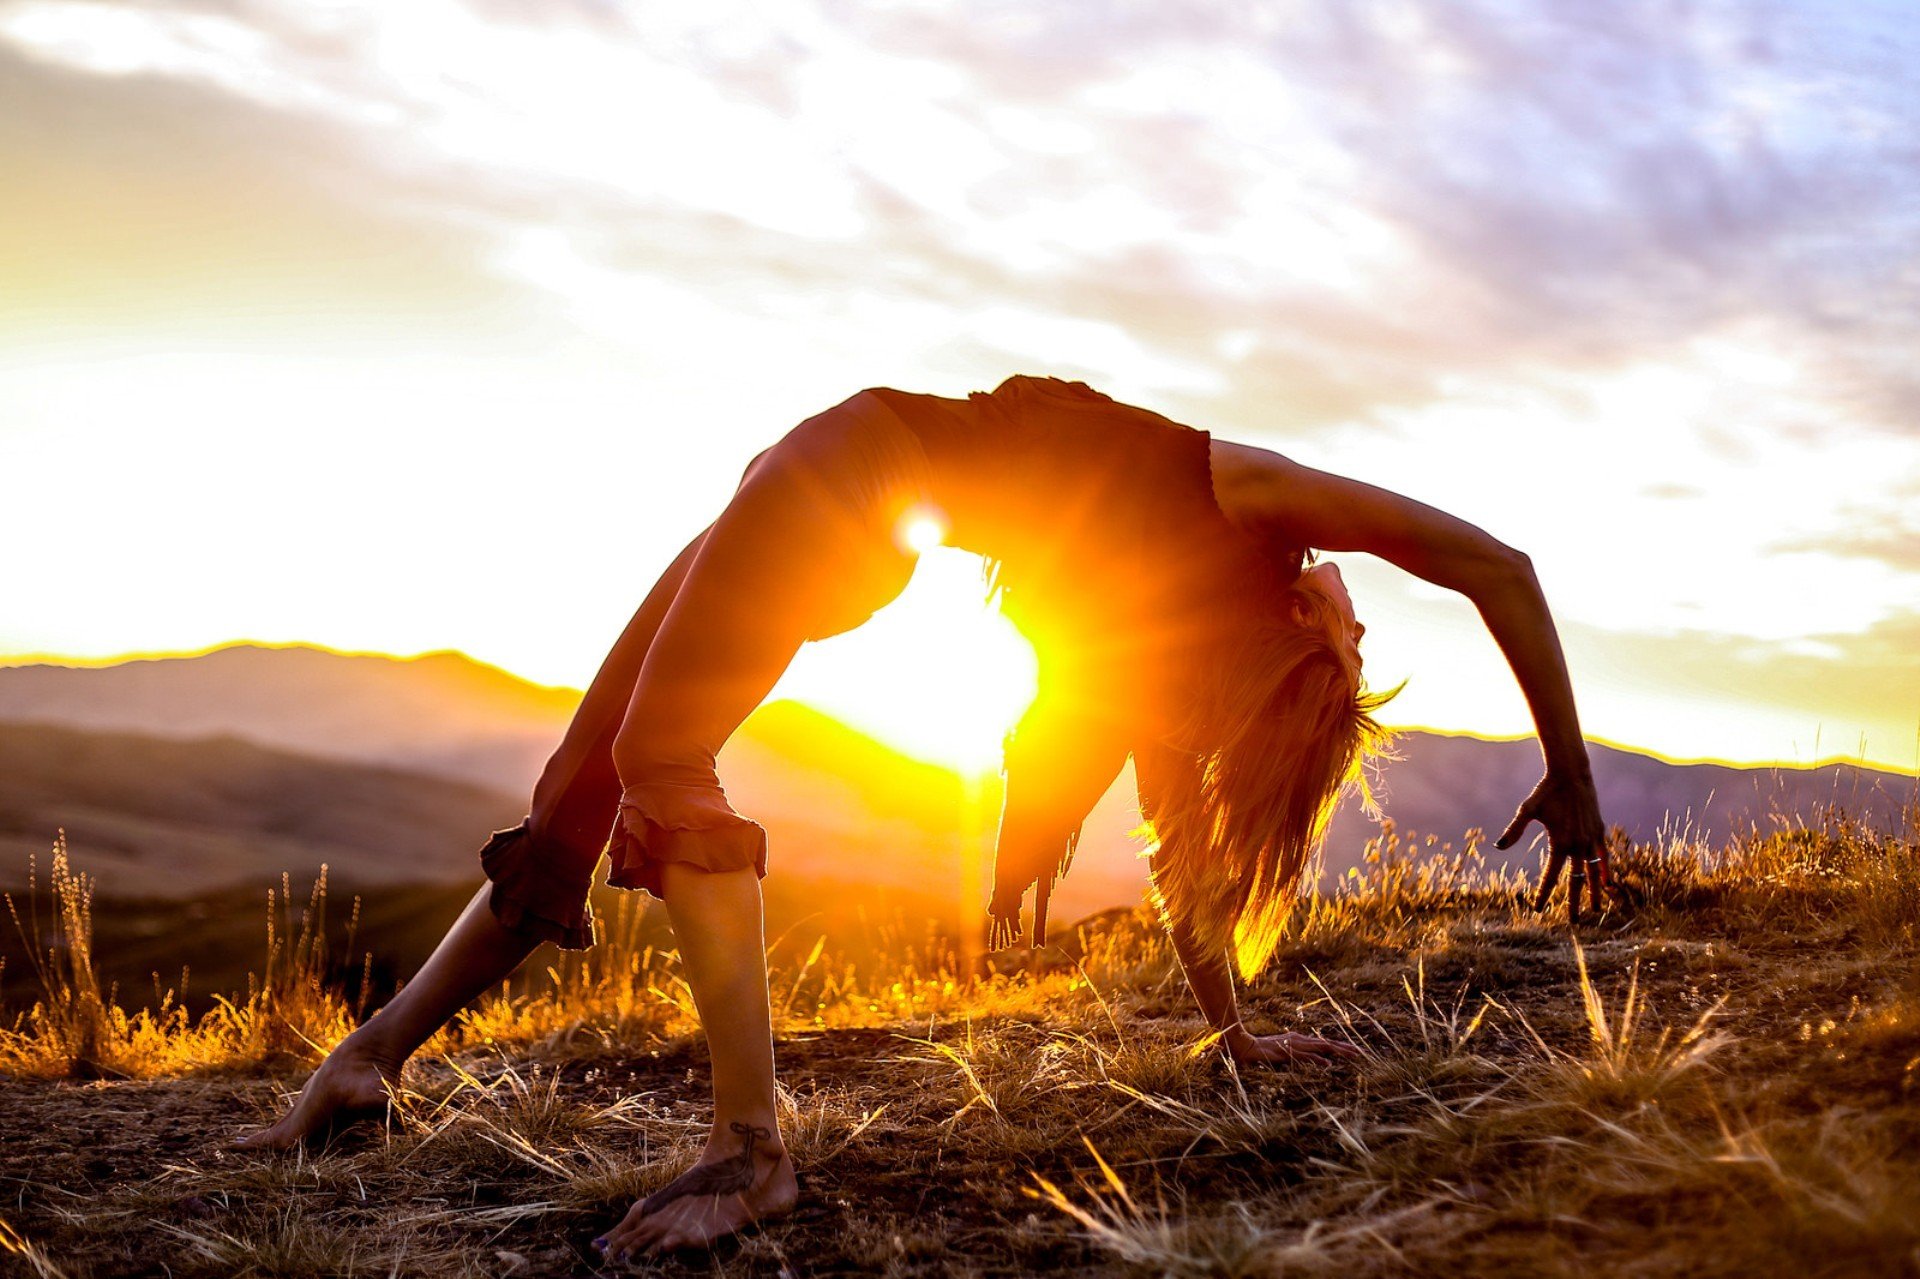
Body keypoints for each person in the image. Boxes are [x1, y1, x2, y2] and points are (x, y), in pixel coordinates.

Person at [238, 375, 1612, 1257]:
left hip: (849, 478)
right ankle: (367, 1060)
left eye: (1350, 643)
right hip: (834, 480)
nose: (1357, 624)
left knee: (659, 763)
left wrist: (1233, 1020)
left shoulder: (1191, 622)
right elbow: (1499, 565)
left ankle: (751, 1153)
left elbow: (1176, 821)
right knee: (578, 796)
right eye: (1354, 633)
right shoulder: (1246, 505)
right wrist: (1575, 778)